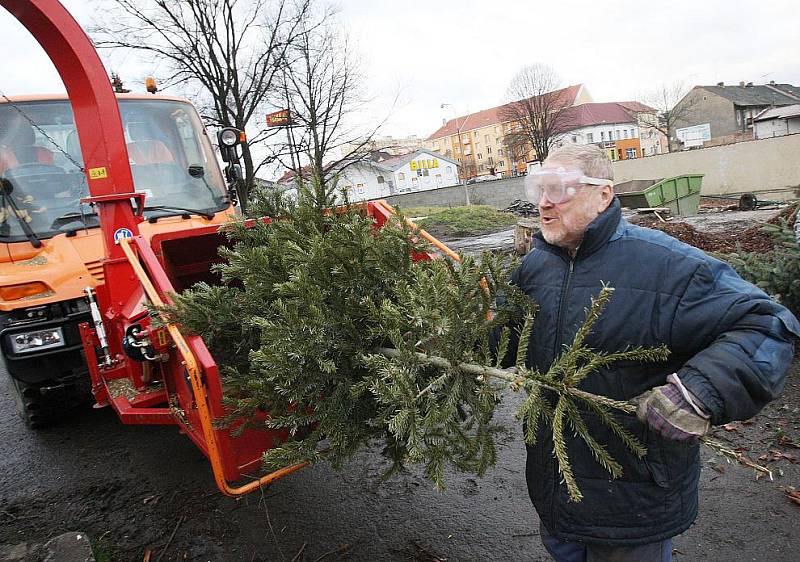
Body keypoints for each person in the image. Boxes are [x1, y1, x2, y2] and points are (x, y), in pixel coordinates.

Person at [498, 144, 799, 561]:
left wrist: (699, 391)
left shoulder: (667, 266)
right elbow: (505, 340)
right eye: (538, 188)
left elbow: (767, 324)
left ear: (603, 195)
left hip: (634, 502)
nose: (545, 203)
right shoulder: (535, 268)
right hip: (555, 492)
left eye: (560, 189)